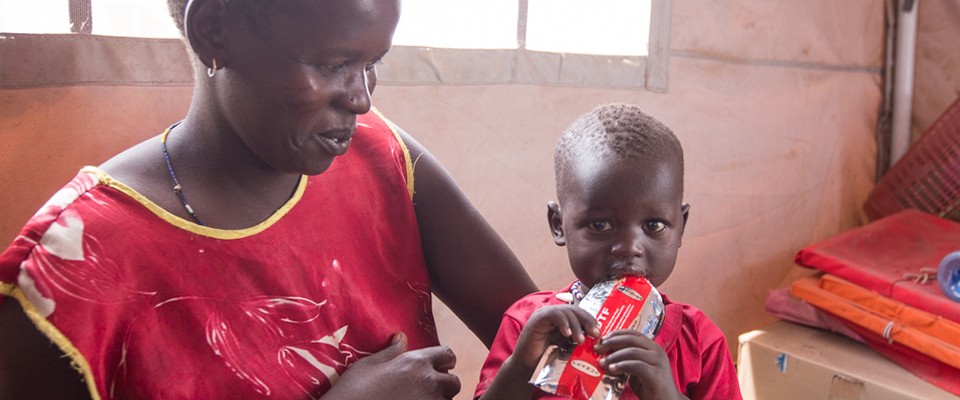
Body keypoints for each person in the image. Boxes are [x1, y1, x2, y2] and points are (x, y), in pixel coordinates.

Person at [0, 0, 537, 398]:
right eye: (332, 65)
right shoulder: (73, 268)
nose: (361, 96)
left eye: (375, 62)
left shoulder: (381, 159)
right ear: (214, 31)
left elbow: (545, 340)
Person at [474, 103, 741, 399]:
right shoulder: (528, 326)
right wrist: (522, 366)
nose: (629, 248)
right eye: (600, 224)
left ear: (681, 226)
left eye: (654, 224)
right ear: (559, 225)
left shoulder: (700, 342)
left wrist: (669, 395)